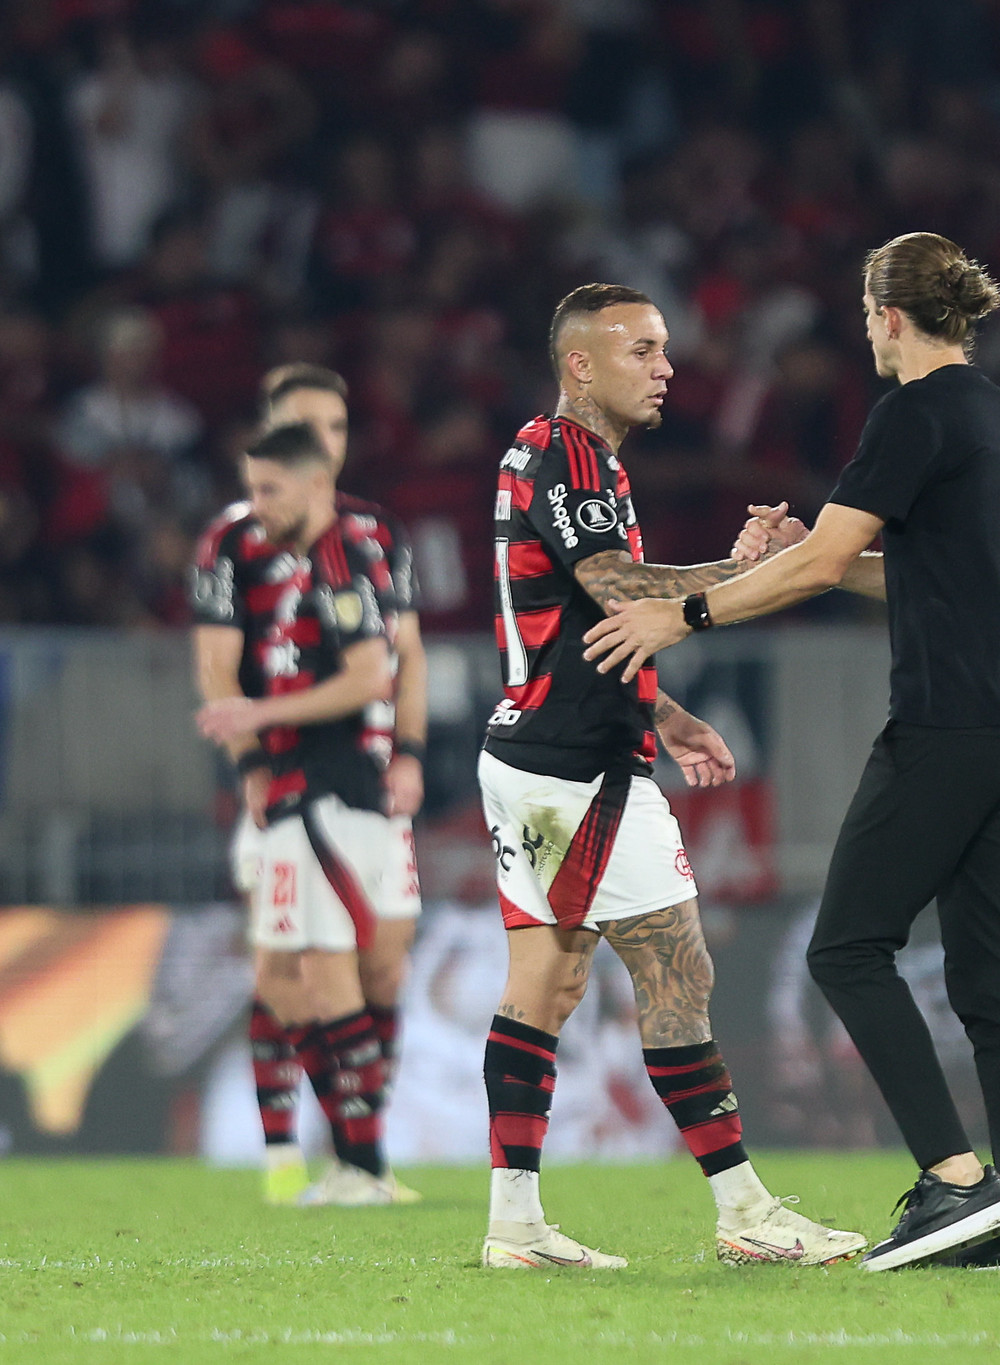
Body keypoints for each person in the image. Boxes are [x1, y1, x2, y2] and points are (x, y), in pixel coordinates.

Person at [584, 235, 1000, 1272]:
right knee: (992, 982)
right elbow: (923, 574)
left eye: (865, 314)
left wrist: (689, 612)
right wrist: (817, 548)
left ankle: (955, 1179)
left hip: (942, 725)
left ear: (888, 316)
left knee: (845, 948)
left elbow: (816, 569)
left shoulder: (911, 412)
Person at [475, 282, 864, 1271]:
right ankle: (745, 1210)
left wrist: (665, 710)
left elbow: (582, 625)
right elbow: (622, 592)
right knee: (679, 973)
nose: (666, 367)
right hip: (578, 773)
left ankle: (515, 1224)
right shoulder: (568, 455)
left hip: (534, 754)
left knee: (546, 983)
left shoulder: (560, 457)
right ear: (580, 365)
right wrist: (746, 573)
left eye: (662, 348)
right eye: (641, 350)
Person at [192, 363, 425, 1206]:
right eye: (307, 425)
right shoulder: (242, 545)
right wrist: (252, 753)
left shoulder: (354, 546)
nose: (327, 442)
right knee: (292, 967)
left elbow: (386, 666)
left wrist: (408, 749)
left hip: (349, 778)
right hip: (294, 780)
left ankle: (362, 1160)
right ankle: (305, 1153)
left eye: (336, 427)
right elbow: (219, 663)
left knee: (369, 966)